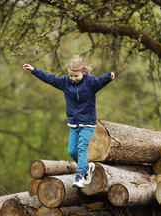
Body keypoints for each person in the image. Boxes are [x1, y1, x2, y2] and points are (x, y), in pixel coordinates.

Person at [23, 55, 115, 187]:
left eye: (76, 76)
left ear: (83, 71)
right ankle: (87, 167)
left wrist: (109, 76)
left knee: (82, 146)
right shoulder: (65, 83)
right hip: (74, 124)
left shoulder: (90, 83)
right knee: (72, 151)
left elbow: (101, 80)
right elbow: (50, 78)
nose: (73, 78)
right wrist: (34, 70)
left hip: (88, 123)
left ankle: (79, 176)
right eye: (71, 75)